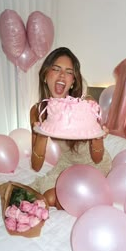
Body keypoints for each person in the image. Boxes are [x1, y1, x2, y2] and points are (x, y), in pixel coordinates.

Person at [30, 47, 112, 208]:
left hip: (93, 165)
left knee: (56, 199)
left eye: (68, 72)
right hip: (66, 164)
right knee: (45, 197)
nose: (62, 75)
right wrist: (41, 132)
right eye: (56, 69)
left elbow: (97, 158)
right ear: (45, 75)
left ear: (73, 81)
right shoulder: (38, 111)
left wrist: (97, 138)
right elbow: (36, 165)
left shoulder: (85, 104)